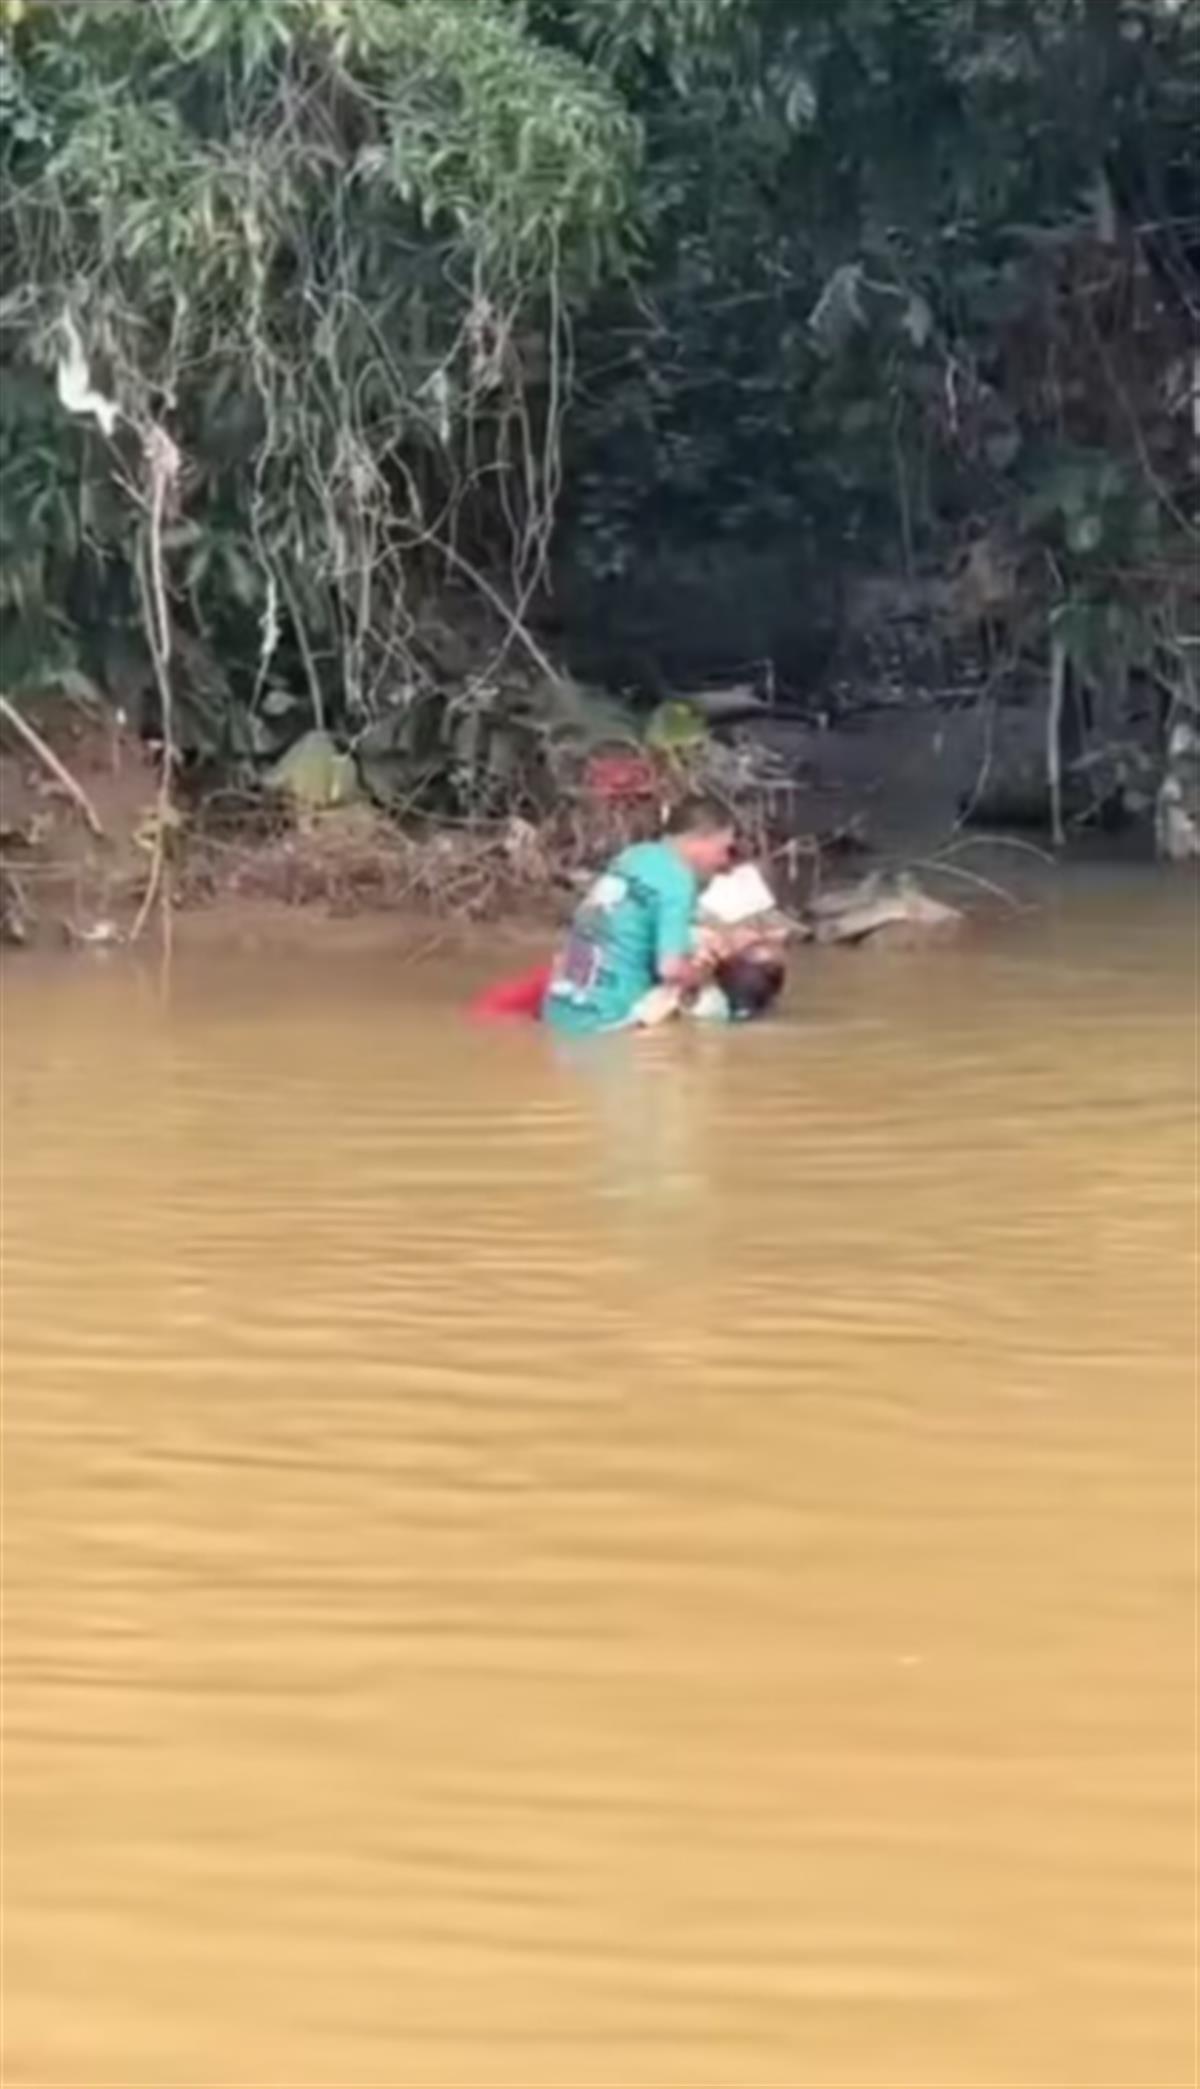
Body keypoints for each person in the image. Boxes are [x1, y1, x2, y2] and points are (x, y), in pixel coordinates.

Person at [541, 796, 736, 1036]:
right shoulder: (679, 882)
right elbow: (670, 969)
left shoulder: (633, 856)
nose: (724, 860)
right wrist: (701, 976)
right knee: (714, 1008)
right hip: (608, 1020)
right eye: (723, 849)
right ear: (700, 840)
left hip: (558, 1009)